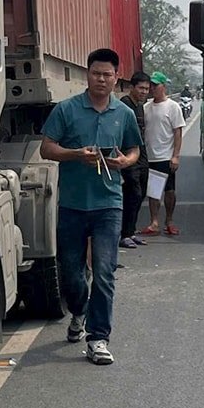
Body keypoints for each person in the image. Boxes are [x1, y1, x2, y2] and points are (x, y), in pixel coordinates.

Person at [39, 48, 141, 365]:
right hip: (72, 204)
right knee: (71, 275)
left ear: (115, 78)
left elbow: (134, 149)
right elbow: (46, 149)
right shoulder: (67, 110)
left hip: (108, 204)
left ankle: (98, 339)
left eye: (107, 74)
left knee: (105, 272)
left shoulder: (123, 114)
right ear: (88, 75)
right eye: (96, 73)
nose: (101, 79)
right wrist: (75, 155)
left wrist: (125, 161)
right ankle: (79, 311)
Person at [140, 72, 186, 237]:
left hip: (166, 156)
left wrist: (176, 155)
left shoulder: (173, 106)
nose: (152, 89)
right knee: (153, 192)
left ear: (163, 86)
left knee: (169, 191)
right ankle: (154, 222)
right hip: (150, 156)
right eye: (150, 86)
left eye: (155, 85)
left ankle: (169, 221)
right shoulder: (146, 107)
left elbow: (177, 132)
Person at [120, 72, 152, 248]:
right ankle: (123, 234)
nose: (144, 92)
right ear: (132, 87)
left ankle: (131, 232)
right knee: (133, 194)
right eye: (141, 88)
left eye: (146, 89)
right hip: (128, 154)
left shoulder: (140, 106)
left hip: (141, 153)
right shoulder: (124, 105)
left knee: (142, 192)